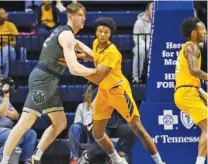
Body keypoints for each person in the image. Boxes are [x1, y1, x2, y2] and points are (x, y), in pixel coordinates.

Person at [59, 17, 165, 164]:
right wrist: (81, 56)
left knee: (137, 128)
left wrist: (74, 66)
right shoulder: (96, 44)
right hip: (104, 92)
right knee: (97, 133)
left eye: (106, 32)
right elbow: (97, 58)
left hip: (118, 91)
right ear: (96, 32)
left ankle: (159, 161)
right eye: (100, 31)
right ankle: (117, 159)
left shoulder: (113, 52)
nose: (102, 34)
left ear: (110, 34)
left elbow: (99, 77)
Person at [0, 3, 96, 164]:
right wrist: (95, 71)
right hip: (43, 80)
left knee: (60, 123)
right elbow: (74, 68)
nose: (84, 18)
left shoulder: (64, 32)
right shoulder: (67, 36)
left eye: (84, 15)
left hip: (49, 80)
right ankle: (4, 160)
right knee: (26, 121)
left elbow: (83, 48)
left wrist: (98, 58)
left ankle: (35, 158)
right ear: (70, 16)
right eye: (80, 15)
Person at [69, 86, 135, 164]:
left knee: (131, 130)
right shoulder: (97, 91)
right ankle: (86, 156)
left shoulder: (118, 91)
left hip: (115, 125)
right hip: (101, 123)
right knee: (102, 140)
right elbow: (92, 106)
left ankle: (120, 156)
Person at [174, 17, 207, 164]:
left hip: (190, 91)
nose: (205, 31)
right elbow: (194, 71)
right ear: (194, 33)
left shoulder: (189, 47)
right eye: (202, 29)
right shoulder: (191, 47)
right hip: (188, 92)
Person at [0, 75, 36, 164]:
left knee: (31, 134)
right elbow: (3, 113)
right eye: (4, 84)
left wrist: (4, 110)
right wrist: (6, 99)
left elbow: (15, 115)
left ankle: (24, 161)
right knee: (17, 135)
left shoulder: (3, 99)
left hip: (6, 131)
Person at [132, 2, 153, 83]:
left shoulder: (159, 22)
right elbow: (137, 39)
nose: (154, 11)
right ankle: (136, 77)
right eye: (152, 9)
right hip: (142, 47)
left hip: (154, 47)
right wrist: (147, 46)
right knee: (139, 50)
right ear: (147, 10)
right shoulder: (139, 23)